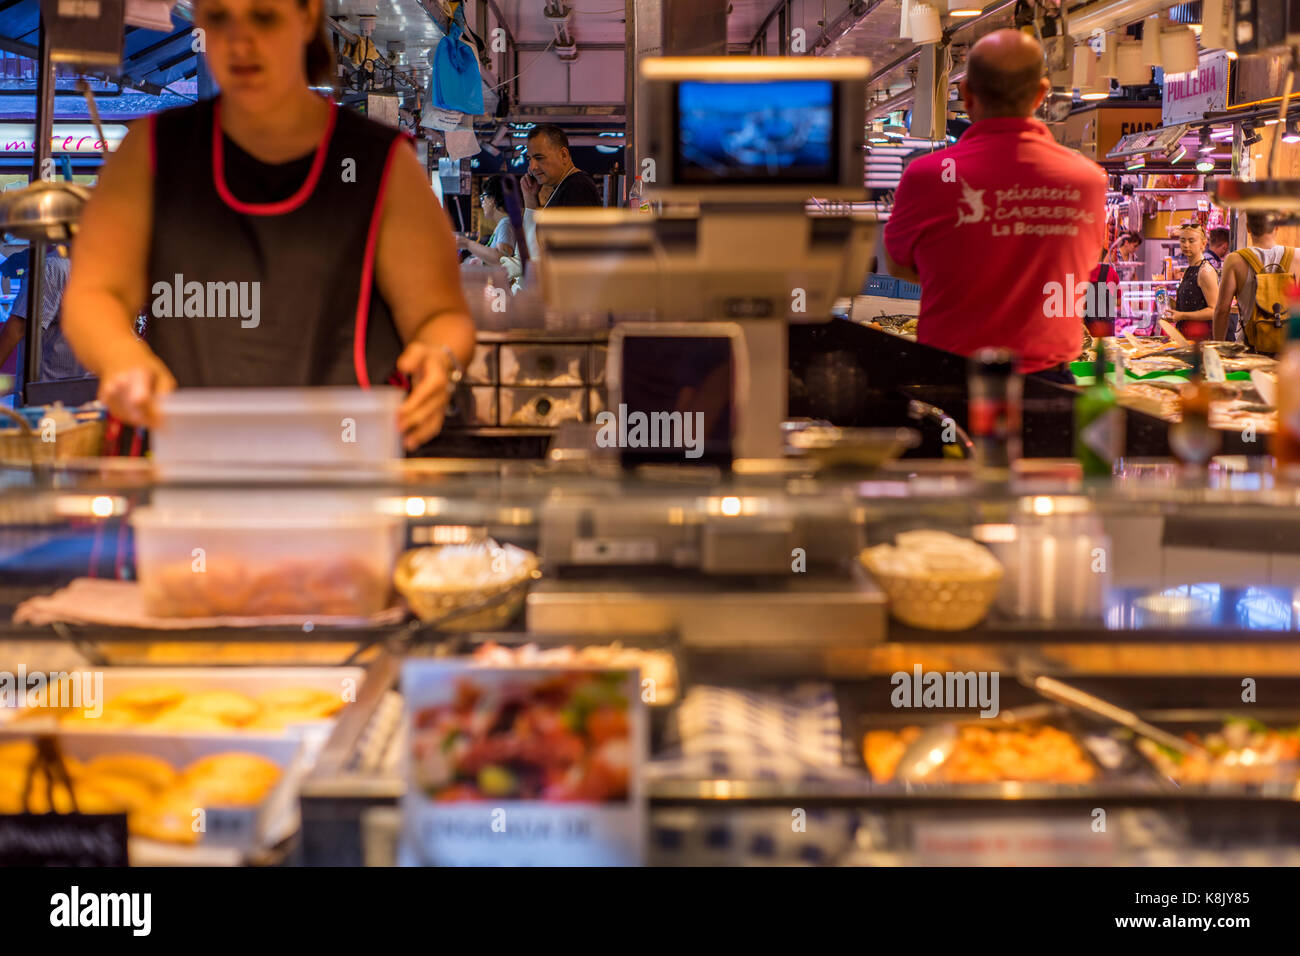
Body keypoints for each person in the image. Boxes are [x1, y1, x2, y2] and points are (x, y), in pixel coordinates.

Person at [61, 0, 474, 451]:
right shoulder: (151, 153)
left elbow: (440, 316)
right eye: (219, 18)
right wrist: (120, 356)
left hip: (343, 475)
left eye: (263, 16)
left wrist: (440, 357)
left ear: (305, 17)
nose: (240, 40)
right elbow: (96, 293)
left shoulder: (381, 163)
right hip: (187, 469)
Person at [883, 29, 1107, 385]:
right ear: (1040, 94)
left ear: (966, 94)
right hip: (1047, 384)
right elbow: (1086, 265)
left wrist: (963, 280)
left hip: (948, 380)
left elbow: (897, 265)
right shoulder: (1088, 180)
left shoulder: (928, 175)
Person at [0, 246, 87, 385]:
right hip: (51, 392)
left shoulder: (100, 271)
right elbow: (17, 328)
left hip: (79, 390)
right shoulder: (54, 268)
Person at [1212, 211, 1300, 347]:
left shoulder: (1235, 260)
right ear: (1276, 227)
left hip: (1249, 351)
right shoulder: (1297, 256)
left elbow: (1222, 310)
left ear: (1248, 227)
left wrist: (1218, 348)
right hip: (1287, 353)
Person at [520, 124, 602, 209]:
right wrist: (530, 196)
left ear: (564, 155)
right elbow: (534, 223)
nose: (532, 167)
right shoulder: (566, 187)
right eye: (529, 159)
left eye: (539, 158)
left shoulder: (577, 187)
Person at [1164, 223, 1219, 332]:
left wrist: (1182, 316)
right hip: (1187, 336)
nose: (1186, 245)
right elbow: (1190, 304)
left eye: (1191, 240)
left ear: (1203, 244)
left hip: (1201, 339)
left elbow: (1215, 310)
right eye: (1183, 240)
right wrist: (1166, 300)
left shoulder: (1205, 271)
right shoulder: (1191, 268)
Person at [458, 176, 515, 266]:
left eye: (482, 198)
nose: (482, 204)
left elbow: (502, 259)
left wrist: (467, 243)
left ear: (492, 199)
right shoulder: (503, 224)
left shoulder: (506, 224)